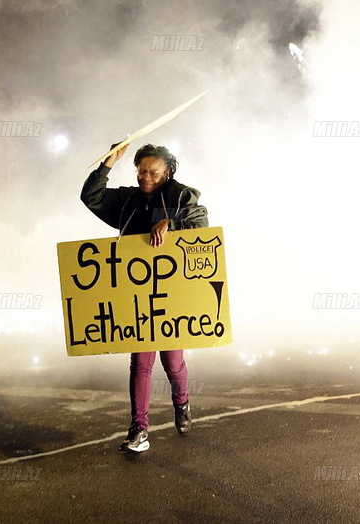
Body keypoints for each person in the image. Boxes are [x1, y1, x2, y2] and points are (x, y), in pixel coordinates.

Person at [81, 142, 208, 452]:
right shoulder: (128, 200)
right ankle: (139, 428)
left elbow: (202, 227)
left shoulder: (181, 196)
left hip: (172, 292)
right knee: (140, 362)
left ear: (168, 172)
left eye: (152, 171)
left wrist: (172, 223)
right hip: (138, 292)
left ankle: (182, 403)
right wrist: (107, 164)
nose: (145, 176)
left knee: (172, 362)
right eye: (140, 171)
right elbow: (91, 196)